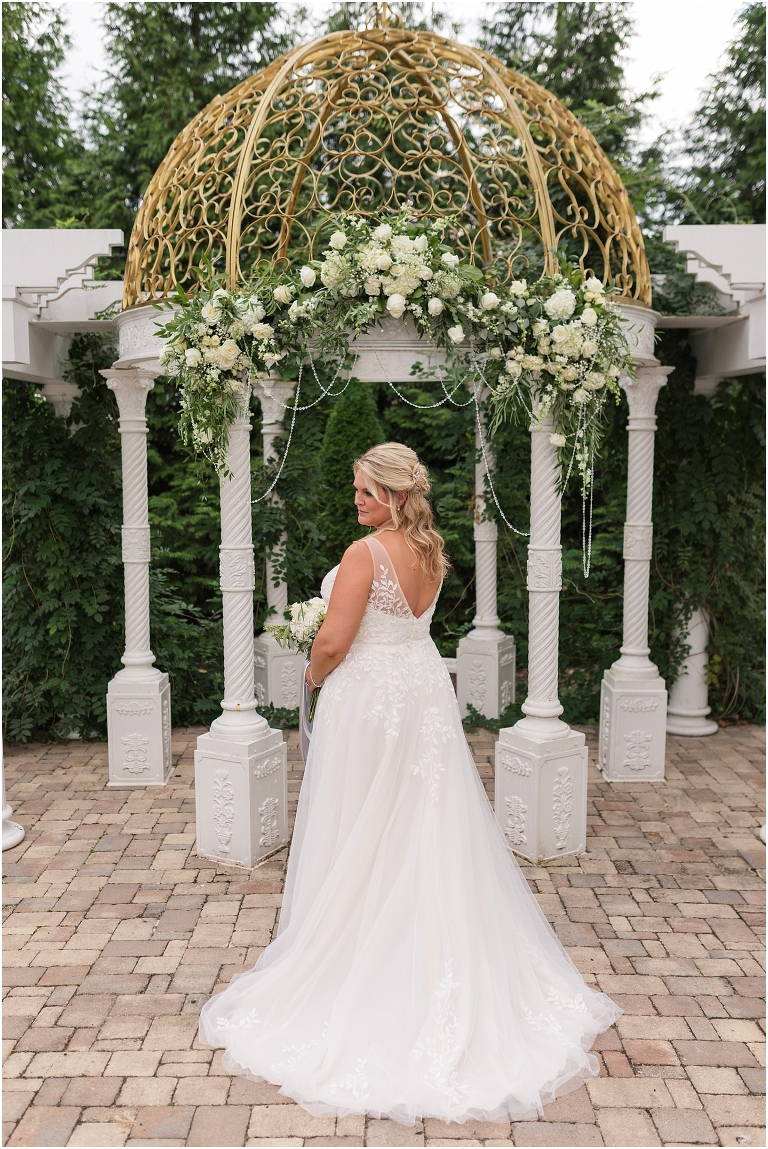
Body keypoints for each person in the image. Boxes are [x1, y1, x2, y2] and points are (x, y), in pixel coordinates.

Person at [199, 441, 621, 1125]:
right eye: (356, 490)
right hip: (420, 693)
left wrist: (309, 676)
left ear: (395, 494)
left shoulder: (366, 555)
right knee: (421, 819)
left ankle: (363, 953)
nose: (356, 501)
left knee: (366, 817)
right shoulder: (430, 549)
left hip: (371, 700)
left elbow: (336, 641)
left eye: (365, 491)